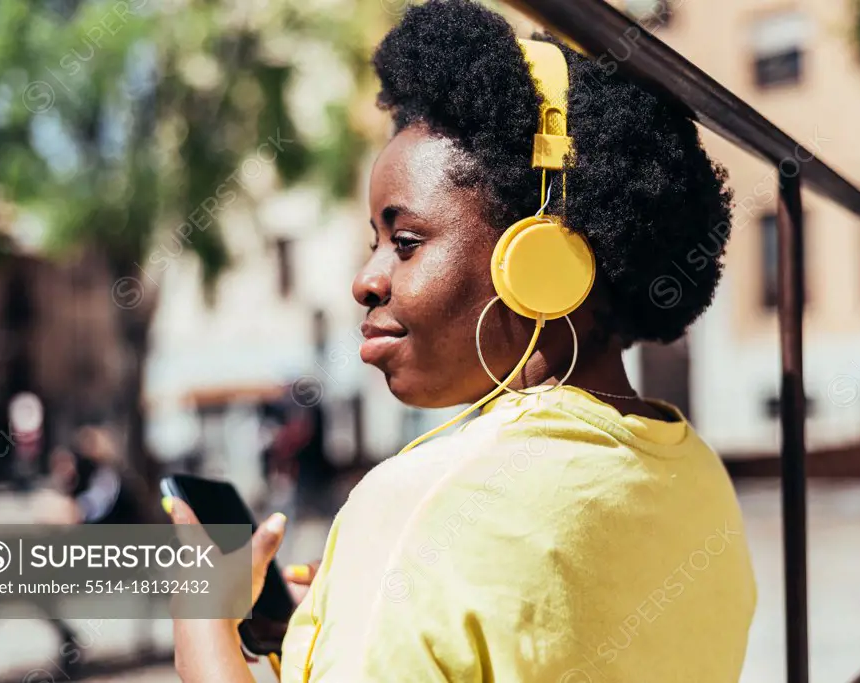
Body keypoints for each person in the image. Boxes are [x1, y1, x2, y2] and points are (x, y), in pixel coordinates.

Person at [168, 1, 756, 681]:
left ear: (541, 258)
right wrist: (357, 613)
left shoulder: (419, 505)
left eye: (405, 242)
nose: (365, 280)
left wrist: (203, 605)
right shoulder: (697, 474)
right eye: (374, 243)